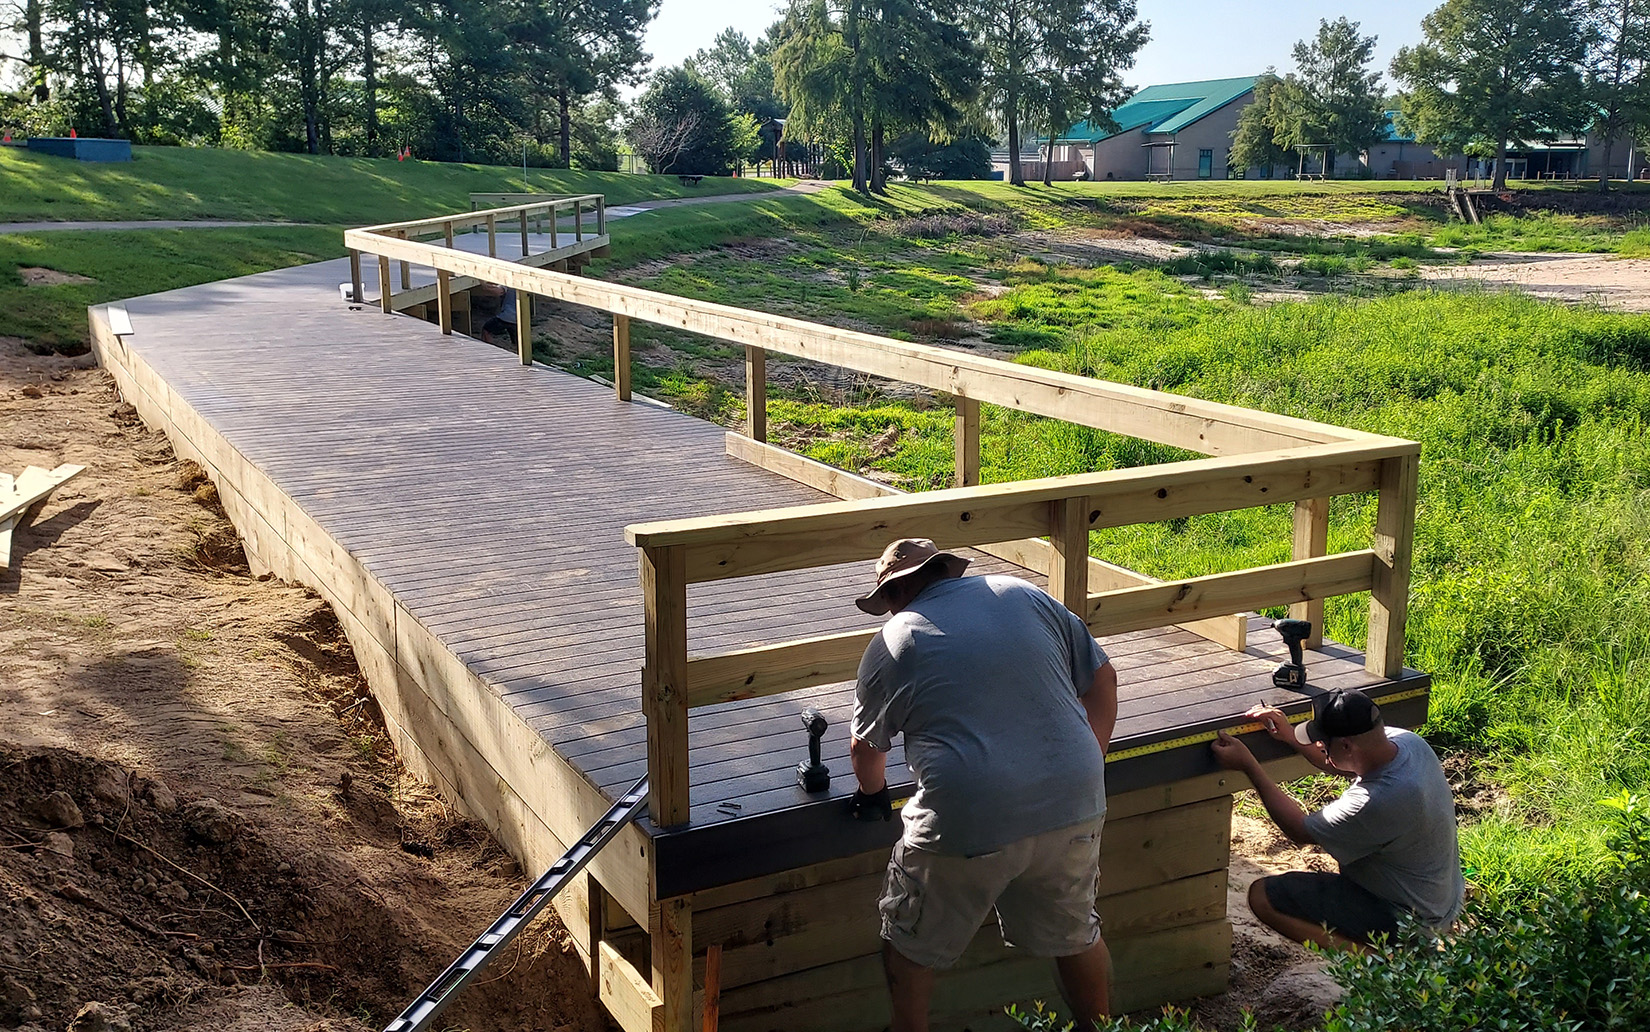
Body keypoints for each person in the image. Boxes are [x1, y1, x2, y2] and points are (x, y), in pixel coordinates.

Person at [847, 538, 1119, 1032]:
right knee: (1076, 933)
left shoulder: (895, 638)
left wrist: (871, 796)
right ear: (947, 572)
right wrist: (1085, 761)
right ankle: (1102, 1028)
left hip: (968, 817)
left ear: (891, 595)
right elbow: (1103, 680)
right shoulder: (1023, 594)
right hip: (1075, 802)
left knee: (909, 940)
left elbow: (867, 752)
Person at [1209, 689, 1464, 951]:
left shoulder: (1375, 802)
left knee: (1264, 897)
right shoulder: (1408, 743)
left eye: (1323, 742)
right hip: (1438, 901)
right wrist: (1291, 737)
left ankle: (1386, 962)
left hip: (1407, 919)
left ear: (1345, 745)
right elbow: (1344, 761)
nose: (1319, 745)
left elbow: (1299, 830)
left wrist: (1249, 766)